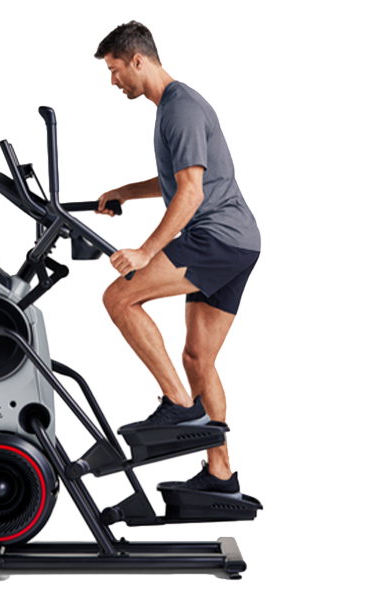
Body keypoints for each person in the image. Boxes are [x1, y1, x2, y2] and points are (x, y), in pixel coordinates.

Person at [93, 21, 261, 498]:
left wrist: (144, 252)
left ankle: (179, 404)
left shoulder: (180, 108)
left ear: (138, 59)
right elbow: (178, 180)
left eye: (115, 69)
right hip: (238, 241)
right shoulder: (174, 106)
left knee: (119, 297)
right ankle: (221, 478)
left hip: (216, 238)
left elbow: (190, 194)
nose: (113, 81)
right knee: (197, 358)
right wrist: (127, 192)